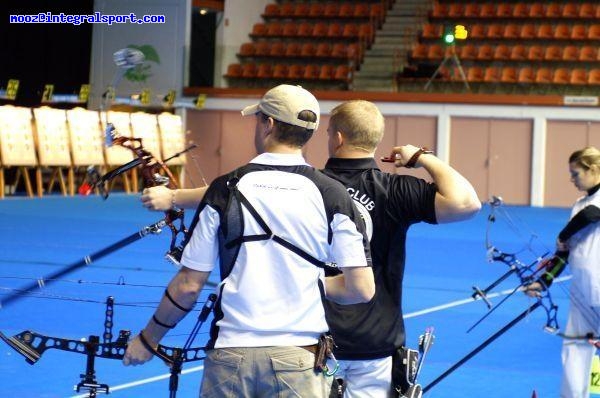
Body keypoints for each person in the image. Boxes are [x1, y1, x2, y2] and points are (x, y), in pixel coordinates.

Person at [140, 99, 481, 397]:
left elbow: (234, 189)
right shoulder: (393, 190)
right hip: (374, 342)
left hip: (312, 342)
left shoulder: (310, 185)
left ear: (336, 137)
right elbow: (466, 202)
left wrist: (173, 197)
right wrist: (421, 157)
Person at [124, 85, 376, 398]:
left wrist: (148, 339)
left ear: (268, 124)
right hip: (299, 358)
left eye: (258, 119)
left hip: (231, 356)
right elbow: (361, 289)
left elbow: (188, 285)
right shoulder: (333, 195)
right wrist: (311, 282)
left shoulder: (224, 188)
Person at [525, 146, 600, 398]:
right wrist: (543, 282)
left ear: (593, 169)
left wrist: (563, 234)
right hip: (581, 292)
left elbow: (592, 215)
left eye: (576, 173)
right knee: (574, 349)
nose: (572, 179)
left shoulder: (591, 205)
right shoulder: (579, 203)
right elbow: (565, 252)